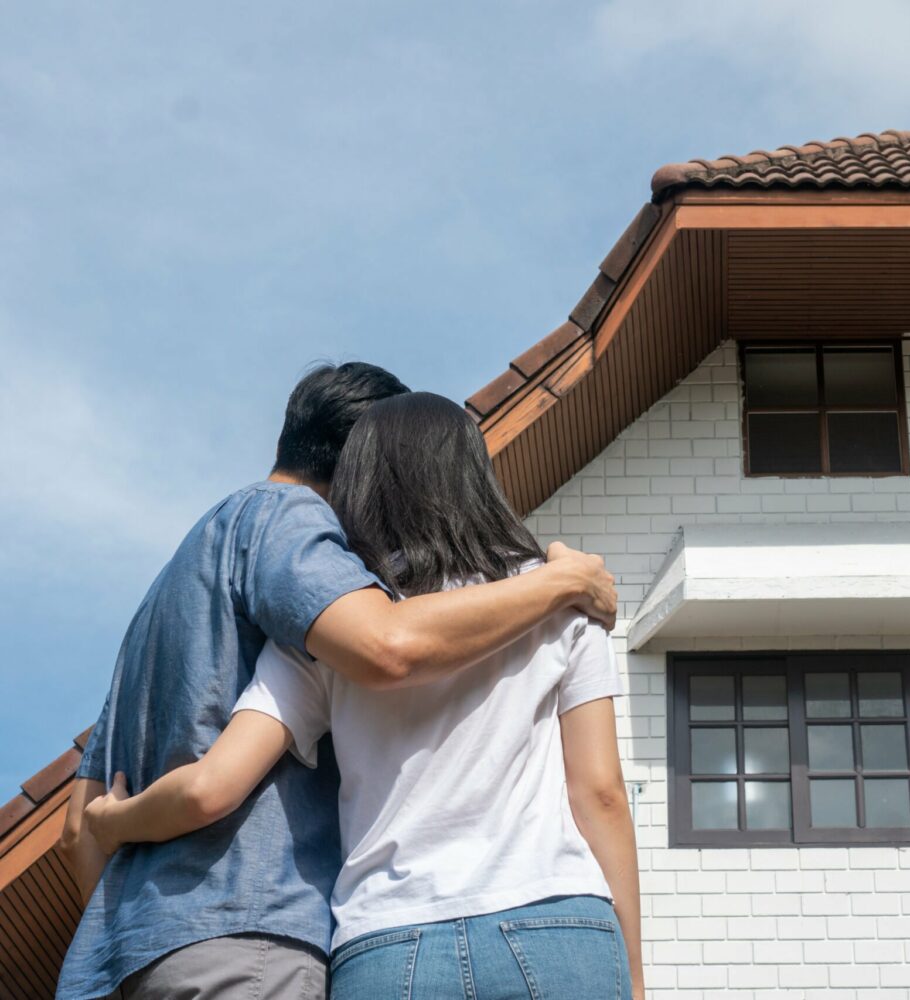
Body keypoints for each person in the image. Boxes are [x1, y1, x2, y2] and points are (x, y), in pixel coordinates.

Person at [57, 367, 618, 1000]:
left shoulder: (159, 604)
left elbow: (79, 830)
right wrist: (559, 581)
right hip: (256, 937)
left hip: (148, 953)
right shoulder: (289, 520)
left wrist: (138, 917)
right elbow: (386, 644)